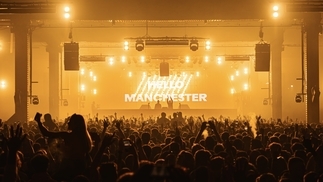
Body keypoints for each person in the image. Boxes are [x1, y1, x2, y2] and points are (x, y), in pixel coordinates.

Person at [34, 112, 93, 181]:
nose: (68, 123)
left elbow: (47, 133)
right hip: (82, 166)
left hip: (69, 168)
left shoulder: (68, 136)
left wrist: (39, 122)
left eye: (70, 121)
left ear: (75, 124)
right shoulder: (85, 139)